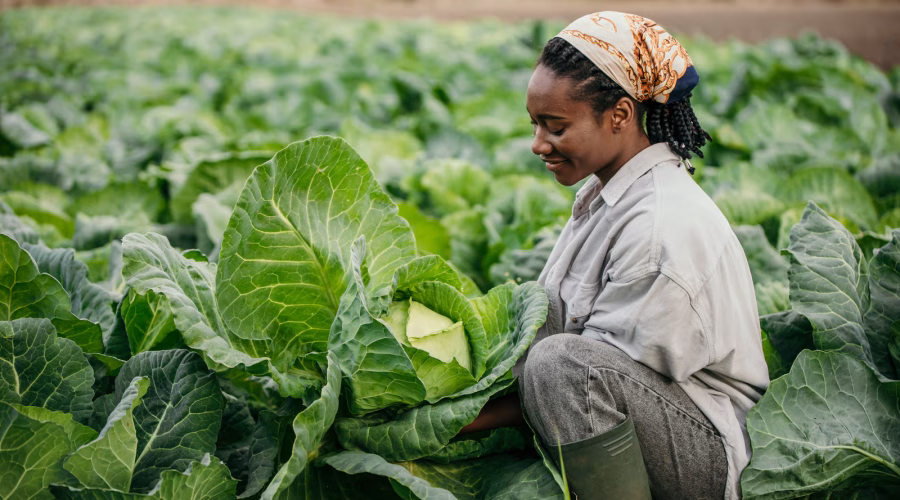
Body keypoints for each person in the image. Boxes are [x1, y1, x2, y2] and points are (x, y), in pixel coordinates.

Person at [458, 11, 769, 500]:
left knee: (561, 366)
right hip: (645, 420)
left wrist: (453, 421)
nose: (538, 143)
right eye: (535, 124)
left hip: (706, 458)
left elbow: (586, 385)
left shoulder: (659, 226)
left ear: (620, 115)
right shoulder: (609, 197)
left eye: (555, 126)